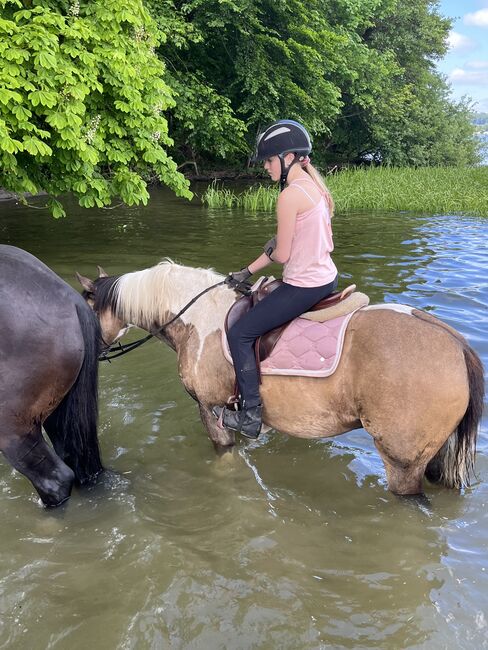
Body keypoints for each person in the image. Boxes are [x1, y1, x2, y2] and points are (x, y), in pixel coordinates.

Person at [213, 119, 338, 439]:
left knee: (240, 333)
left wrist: (252, 269)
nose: (265, 167)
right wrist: (248, 271)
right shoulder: (316, 188)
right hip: (327, 278)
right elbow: (283, 246)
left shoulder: (289, 196)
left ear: (289, 158)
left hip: (304, 285)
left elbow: (281, 255)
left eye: (269, 160)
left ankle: (250, 416)